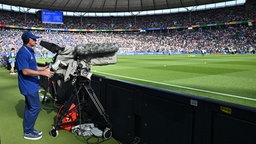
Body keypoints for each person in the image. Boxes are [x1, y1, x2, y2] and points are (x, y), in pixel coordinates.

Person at [16, 31, 54, 140]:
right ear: (28, 40)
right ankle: (28, 131)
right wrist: (43, 73)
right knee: (35, 108)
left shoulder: (29, 51)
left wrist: (43, 68)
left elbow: (32, 67)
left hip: (31, 84)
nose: (36, 40)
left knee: (30, 107)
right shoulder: (23, 52)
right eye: (33, 39)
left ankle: (30, 129)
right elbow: (25, 71)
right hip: (28, 86)